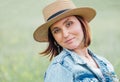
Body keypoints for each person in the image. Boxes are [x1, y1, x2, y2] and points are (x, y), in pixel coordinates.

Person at [33, 0, 119, 82]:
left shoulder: (104, 63)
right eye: (57, 31)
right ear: (53, 38)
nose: (65, 34)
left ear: (82, 23)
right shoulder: (60, 67)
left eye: (69, 24)